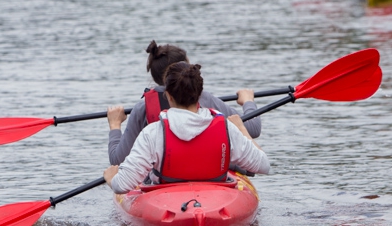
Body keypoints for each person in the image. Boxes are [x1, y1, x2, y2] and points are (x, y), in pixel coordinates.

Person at [103, 62, 270, 194]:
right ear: (199, 94)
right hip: (215, 198)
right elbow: (263, 166)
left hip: (167, 200)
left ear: (168, 95)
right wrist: (241, 128)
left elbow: (122, 185)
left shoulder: (152, 133)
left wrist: (112, 179)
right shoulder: (227, 127)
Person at [107, 40, 261, 165]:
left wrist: (115, 126)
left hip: (162, 180)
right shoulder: (203, 98)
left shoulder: (142, 108)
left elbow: (117, 160)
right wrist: (248, 101)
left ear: (154, 76)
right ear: (187, 69)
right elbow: (253, 129)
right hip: (208, 174)